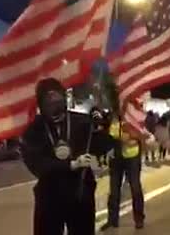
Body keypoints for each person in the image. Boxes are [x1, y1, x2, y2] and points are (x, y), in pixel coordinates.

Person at [21, 78, 114, 235]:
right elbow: (37, 165)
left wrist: (103, 127)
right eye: (48, 102)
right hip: (49, 197)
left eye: (57, 99)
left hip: (80, 194)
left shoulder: (82, 121)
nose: (54, 106)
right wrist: (71, 165)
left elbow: (103, 146)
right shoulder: (34, 130)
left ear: (64, 98)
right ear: (41, 105)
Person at [101, 106, 146, 231]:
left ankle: (139, 218)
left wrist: (132, 137)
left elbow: (142, 134)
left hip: (132, 156)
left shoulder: (134, 116)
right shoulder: (114, 118)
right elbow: (110, 134)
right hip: (116, 157)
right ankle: (112, 220)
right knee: (114, 190)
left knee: (135, 187)